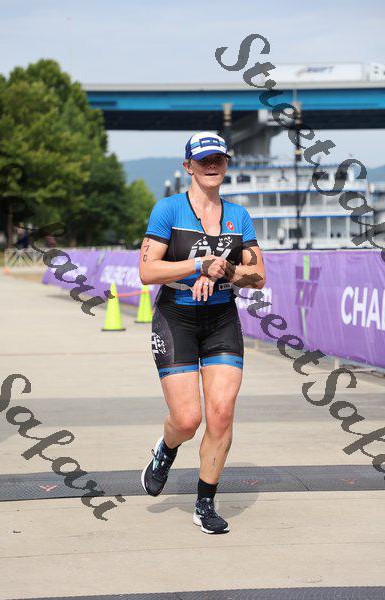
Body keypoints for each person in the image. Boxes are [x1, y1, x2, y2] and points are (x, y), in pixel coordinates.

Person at [139, 131, 266, 534]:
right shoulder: (168, 210)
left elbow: (258, 275)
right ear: (188, 166)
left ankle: (205, 503)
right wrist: (199, 265)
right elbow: (147, 271)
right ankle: (166, 448)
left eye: (219, 159)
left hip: (221, 319)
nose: (212, 166)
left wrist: (227, 269)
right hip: (176, 317)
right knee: (187, 419)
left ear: (226, 165)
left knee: (221, 414)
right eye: (204, 160)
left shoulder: (238, 216)